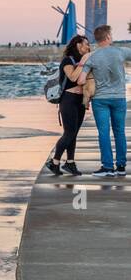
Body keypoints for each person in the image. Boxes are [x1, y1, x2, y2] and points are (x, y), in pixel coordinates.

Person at [82, 25, 131, 178]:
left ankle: (108, 167)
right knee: (119, 132)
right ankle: (121, 166)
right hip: (119, 98)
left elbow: (81, 79)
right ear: (108, 37)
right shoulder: (121, 52)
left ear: (97, 39)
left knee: (104, 133)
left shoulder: (92, 57)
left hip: (100, 100)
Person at [47, 34, 90, 176]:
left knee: (74, 133)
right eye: (86, 44)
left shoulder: (83, 60)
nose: (88, 47)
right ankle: (54, 162)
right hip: (68, 100)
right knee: (69, 133)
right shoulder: (67, 60)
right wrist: (83, 62)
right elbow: (72, 77)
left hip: (80, 100)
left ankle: (70, 163)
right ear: (78, 45)